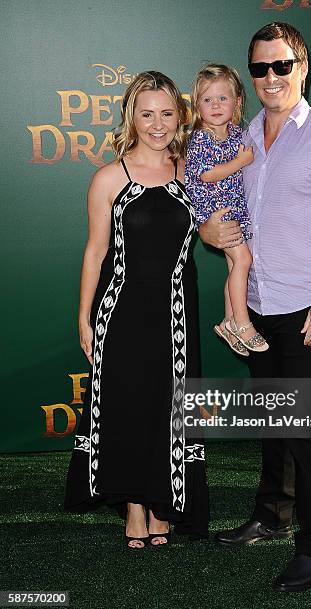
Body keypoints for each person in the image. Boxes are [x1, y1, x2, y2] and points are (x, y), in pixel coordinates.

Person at [199, 23, 311, 592]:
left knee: (304, 431)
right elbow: (220, 207)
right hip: (256, 303)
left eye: (282, 66)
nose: (271, 77)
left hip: (305, 307)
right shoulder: (241, 134)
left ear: (303, 67)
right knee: (273, 420)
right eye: (259, 68)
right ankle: (272, 512)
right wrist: (211, 232)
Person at [64, 71, 209, 548]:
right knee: (127, 408)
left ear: (180, 115)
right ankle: (133, 508)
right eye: (147, 114)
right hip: (121, 312)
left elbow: (225, 225)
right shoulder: (110, 177)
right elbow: (94, 252)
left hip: (175, 317)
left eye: (167, 113)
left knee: (167, 408)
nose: (157, 123)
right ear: (132, 117)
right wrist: (84, 317)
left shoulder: (194, 171)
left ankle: (165, 503)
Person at [185, 64, 269, 356]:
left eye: (223, 98)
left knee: (236, 266)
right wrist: (239, 163)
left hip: (235, 209)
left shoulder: (237, 134)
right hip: (216, 212)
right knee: (243, 260)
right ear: (197, 106)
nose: (216, 105)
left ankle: (228, 322)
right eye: (208, 100)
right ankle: (244, 324)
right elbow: (206, 175)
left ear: (237, 102)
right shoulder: (200, 138)